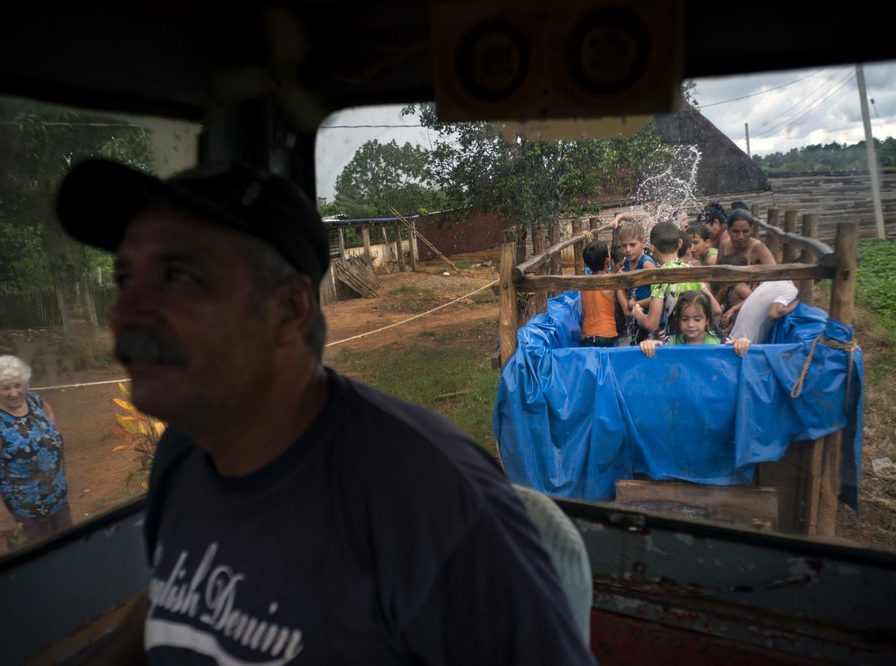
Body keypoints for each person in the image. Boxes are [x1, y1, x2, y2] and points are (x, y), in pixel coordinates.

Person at [55, 158, 597, 665]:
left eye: (178, 276)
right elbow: (172, 600)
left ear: (289, 309)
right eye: (126, 279)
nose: (126, 313)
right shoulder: (185, 453)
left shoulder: (429, 500)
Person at [0, 355, 72, 548]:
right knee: (38, 566)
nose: (14, 393)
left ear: (26, 383)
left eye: (18, 385)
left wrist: (47, 437)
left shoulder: (33, 399)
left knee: (68, 552)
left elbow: (48, 411)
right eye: (5, 388)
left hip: (58, 499)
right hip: (25, 512)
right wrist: (1, 514)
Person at [629, 221, 721, 339]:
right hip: (699, 341)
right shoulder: (691, 272)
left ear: (652, 248)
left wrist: (638, 314)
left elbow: (651, 324)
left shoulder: (659, 277)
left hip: (677, 345)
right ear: (680, 243)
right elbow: (717, 310)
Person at [638, 290, 751, 357]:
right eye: (685, 319)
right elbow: (654, 347)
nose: (691, 324)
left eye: (697, 319)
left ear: (707, 320)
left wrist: (741, 343)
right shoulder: (669, 343)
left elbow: (739, 345)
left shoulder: (721, 342)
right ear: (678, 320)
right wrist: (648, 344)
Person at [614, 220, 658, 345]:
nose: (627, 250)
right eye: (623, 245)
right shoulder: (627, 262)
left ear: (643, 243)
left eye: (632, 245)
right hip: (634, 317)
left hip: (648, 318)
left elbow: (659, 295)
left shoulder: (647, 264)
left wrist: (635, 304)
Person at [580, 241, 625, 347]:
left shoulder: (582, 283)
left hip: (587, 336)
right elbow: (625, 309)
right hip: (608, 334)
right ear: (607, 261)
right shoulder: (612, 282)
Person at [729, 280, 800, 344]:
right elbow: (773, 313)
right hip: (746, 343)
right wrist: (793, 306)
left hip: (734, 337)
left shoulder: (769, 283)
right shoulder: (790, 289)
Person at [715, 254, 753, 335]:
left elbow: (753, 299)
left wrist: (733, 309)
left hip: (745, 327)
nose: (724, 278)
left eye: (728, 275)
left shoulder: (740, 287)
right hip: (736, 325)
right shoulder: (730, 287)